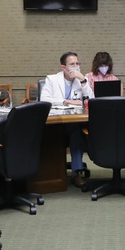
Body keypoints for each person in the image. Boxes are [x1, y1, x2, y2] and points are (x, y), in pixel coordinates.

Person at [41, 51, 94, 187]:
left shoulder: (81, 81)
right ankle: (50, 173)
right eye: (72, 64)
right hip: (55, 123)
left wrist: (83, 81)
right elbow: (45, 100)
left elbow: (92, 101)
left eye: (77, 64)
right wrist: (66, 101)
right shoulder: (52, 79)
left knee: (76, 132)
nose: (76, 67)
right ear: (63, 67)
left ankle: (76, 173)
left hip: (74, 122)